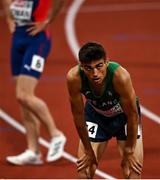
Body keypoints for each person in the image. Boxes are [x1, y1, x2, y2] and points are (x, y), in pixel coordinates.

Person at [3, 0, 66, 165]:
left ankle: (56, 134)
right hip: (17, 41)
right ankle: (33, 152)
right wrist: (10, 20)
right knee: (23, 101)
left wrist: (48, 20)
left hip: (37, 41)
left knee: (23, 95)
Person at [67, 42, 143, 179]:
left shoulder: (120, 76)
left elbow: (132, 115)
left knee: (132, 171)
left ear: (107, 62)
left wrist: (130, 149)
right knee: (84, 171)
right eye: (88, 68)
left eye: (99, 66)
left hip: (124, 116)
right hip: (96, 115)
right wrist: (89, 151)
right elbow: (78, 117)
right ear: (81, 66)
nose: (95, 73)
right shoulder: (74, 77)